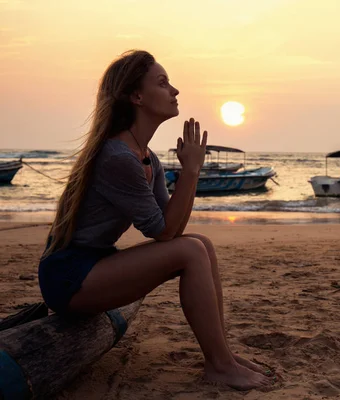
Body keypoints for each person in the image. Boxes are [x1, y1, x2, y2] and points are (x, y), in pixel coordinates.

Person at [37, 50, 271, 390]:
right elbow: (163, 233)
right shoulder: (117, 157)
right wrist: (191, 170)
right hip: (68, 276)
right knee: (190, 251)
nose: (174, 90)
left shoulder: (147, 157)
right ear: (136, 96)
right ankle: (220, 364)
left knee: (199, 244)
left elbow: (173, 227)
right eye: (162, 83)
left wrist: (191, 170)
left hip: (96, 264)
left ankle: (224, 356)